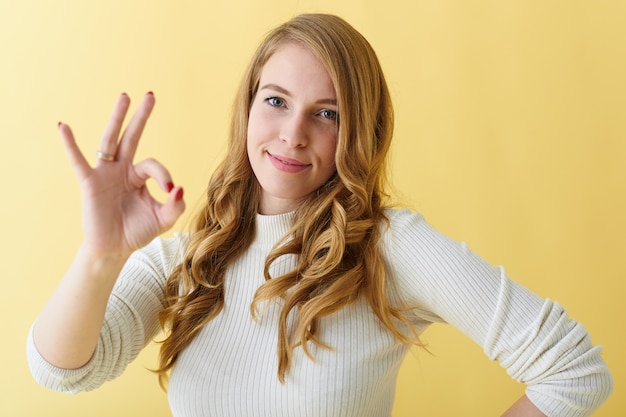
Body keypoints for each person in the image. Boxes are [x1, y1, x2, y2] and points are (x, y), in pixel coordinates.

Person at [27, 13, 612, 417]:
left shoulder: (388, 248)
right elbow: (63, 370)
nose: (293, 134)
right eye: (276, 100)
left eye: (326, 114)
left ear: (357, 132)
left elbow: (574, 370)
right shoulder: (187, 258)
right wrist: (100, 256)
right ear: (249, 107)